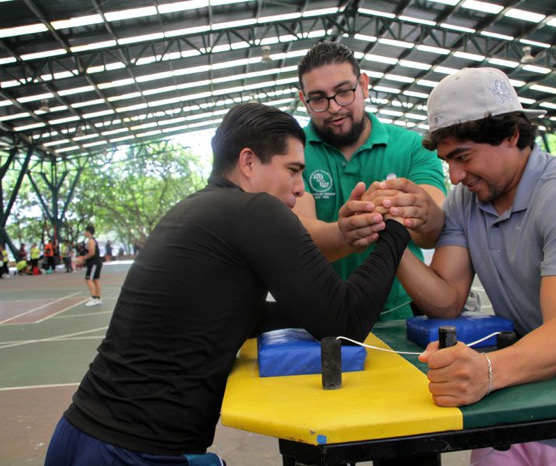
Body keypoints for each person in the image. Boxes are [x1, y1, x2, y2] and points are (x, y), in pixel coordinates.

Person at [44, 103, 410, 466]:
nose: (300, 188)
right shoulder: (258, 209)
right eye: (293, 170)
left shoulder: (192, 210)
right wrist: (394, 227)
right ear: (248, 162)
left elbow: (239, 317)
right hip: (134, 452)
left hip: (77, 435)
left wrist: (316, 305)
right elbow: (345, 322)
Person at [393, 67, 556, 465]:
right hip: (513, 410)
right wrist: (391, 241)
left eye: (463, 157)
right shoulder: (465, 201)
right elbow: (445, 302)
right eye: (447, 162)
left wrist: (485, 372)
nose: (455, 176)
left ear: (512, 134)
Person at [293, 41, 447, 321]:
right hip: (317, 318)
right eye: (318, 99)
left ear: (363, 85)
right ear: (303, 100)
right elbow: (301, 238)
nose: (334, 108)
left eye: (344, 93)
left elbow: (433, 231)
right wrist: (345, 233)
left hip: (401, 317)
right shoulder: (292, 150)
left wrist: (414, 209)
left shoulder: (412, 145)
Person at [77, 225, 102, 306]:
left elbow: (92, 252)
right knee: (95, 280)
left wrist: (83, 258)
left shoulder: (90, 241)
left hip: (93, 263)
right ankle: (98, 298)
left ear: (88, 232)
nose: (84, 233)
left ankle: (94, 298)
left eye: (85, 231)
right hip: (96, 262)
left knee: (88, 279)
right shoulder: (92, 240)